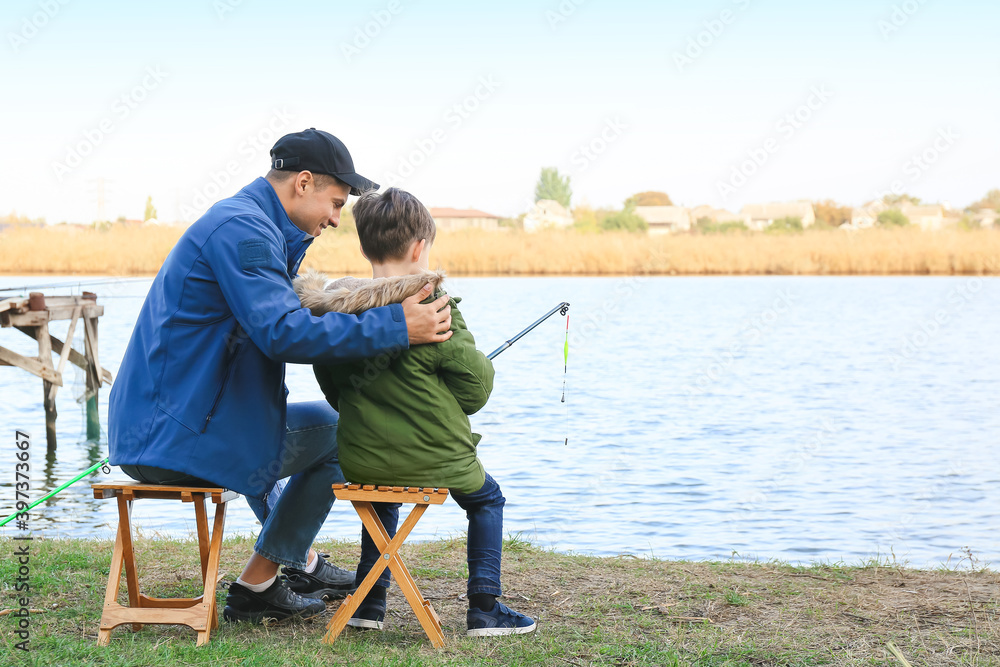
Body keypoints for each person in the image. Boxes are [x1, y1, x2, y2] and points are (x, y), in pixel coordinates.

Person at [108, 129, 455, 624]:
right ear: (304, 183)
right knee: (343, 431)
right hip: (177, 436)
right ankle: (261, 579)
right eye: (335, 204)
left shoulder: (250, 224)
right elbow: (282, 334)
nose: (336, 220)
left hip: (173, 424)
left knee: (291, 421)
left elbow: (286, 321)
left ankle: (292, 565)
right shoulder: (244, 232)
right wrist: (398, 325)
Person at [294, 187, 537, 636]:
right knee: (487, 499)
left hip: (362, 457)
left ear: (365, 246)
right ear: (420, 248)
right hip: (438, 458)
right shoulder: (435, 308)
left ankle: (369, 604)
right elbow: (476, 391)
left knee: (378, 499)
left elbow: (333, 388)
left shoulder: (335, 313)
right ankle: (485, 608)